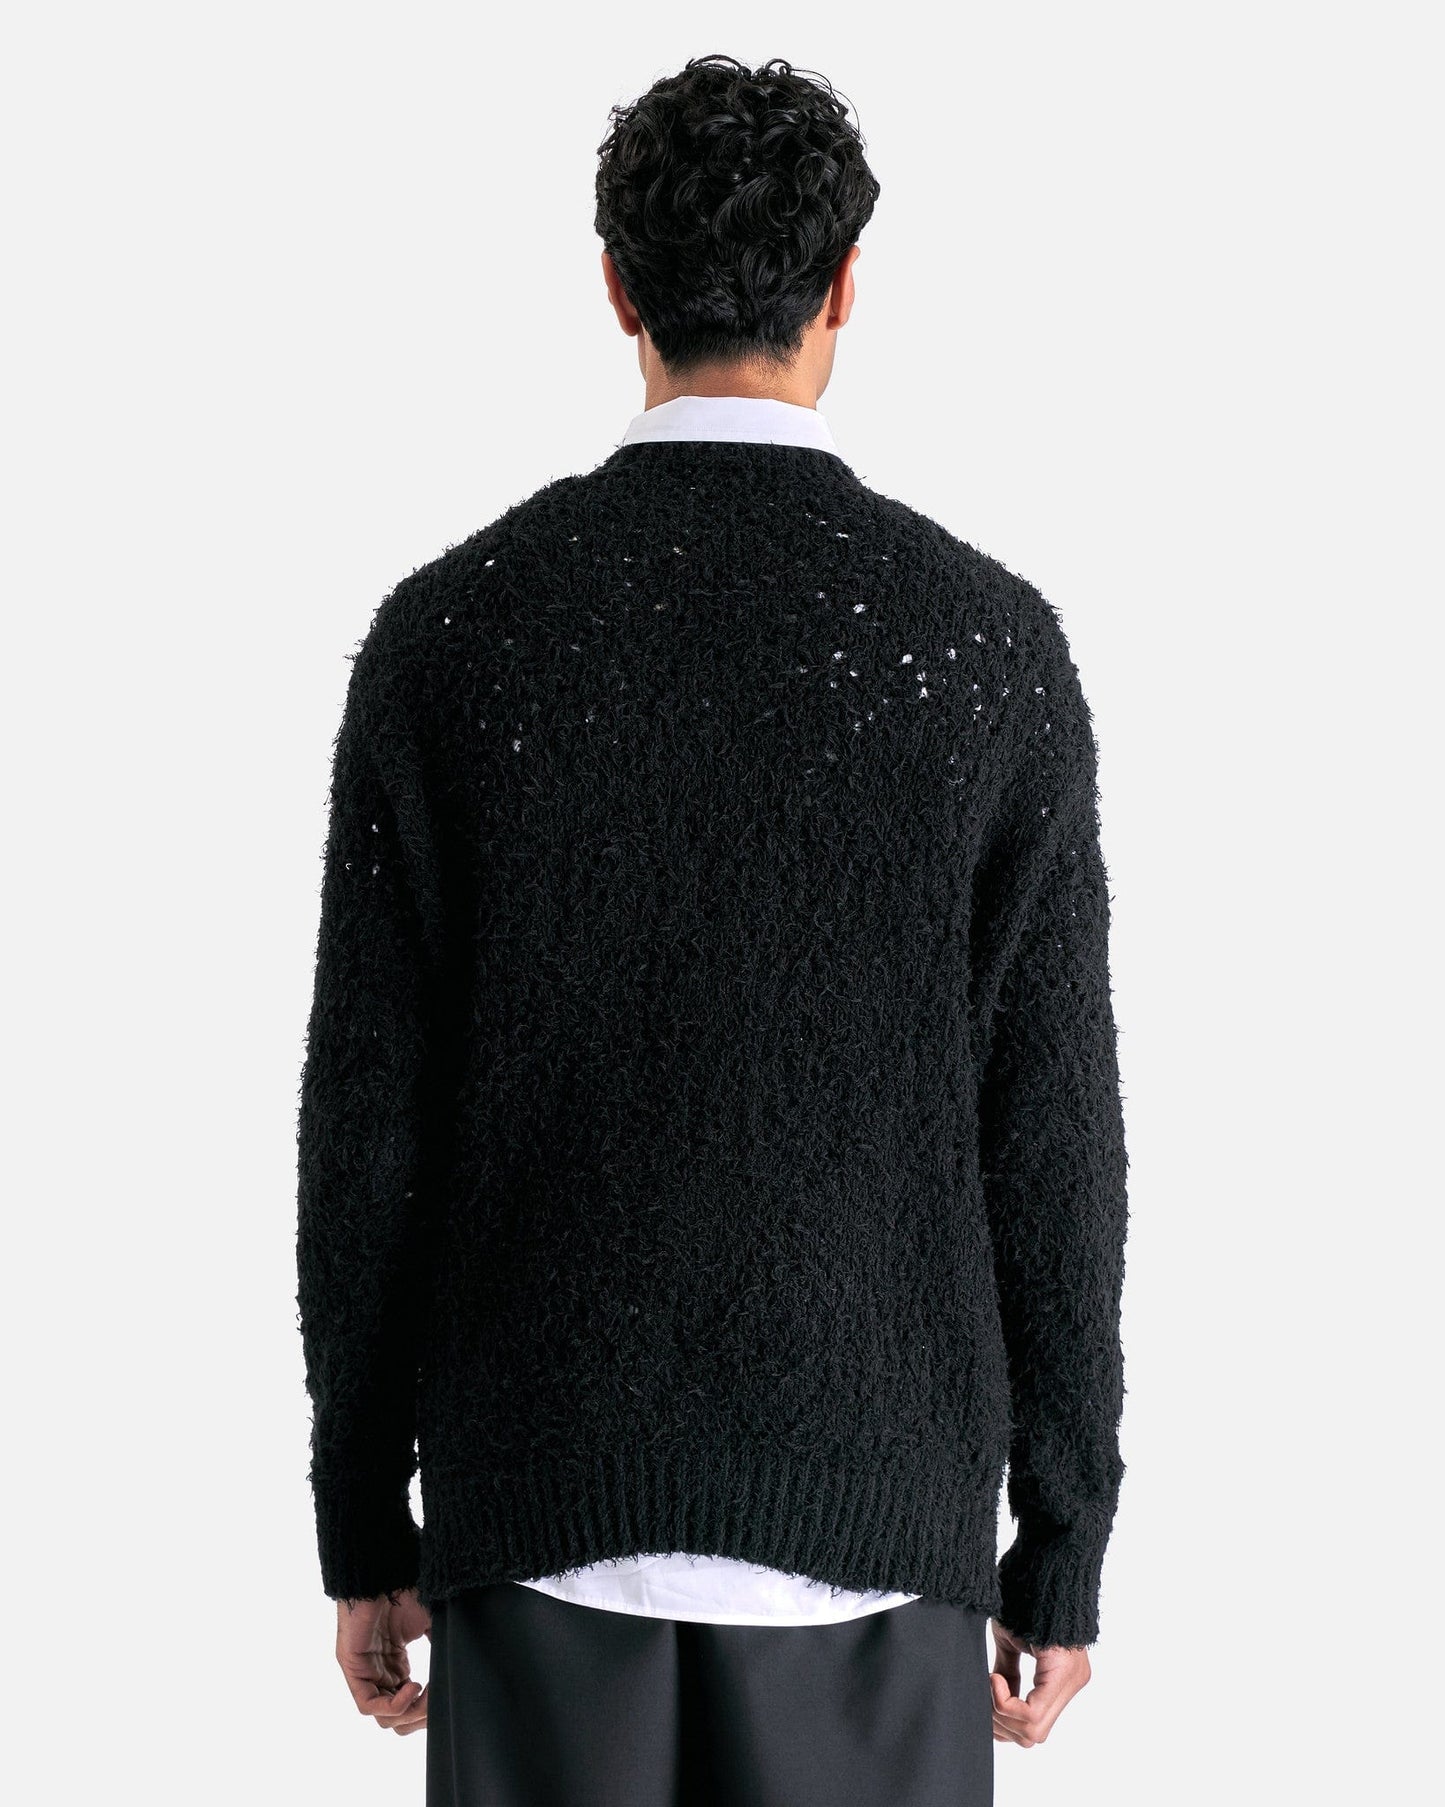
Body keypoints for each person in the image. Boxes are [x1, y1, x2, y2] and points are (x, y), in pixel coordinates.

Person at [297, 52, 1130, 1807]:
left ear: (617, 287)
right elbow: (1052, 1138)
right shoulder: (983, 648)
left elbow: (366, 1131)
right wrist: (1061, 1542)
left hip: (538, 1527)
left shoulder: (453, 637)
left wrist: (362, 1520)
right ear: (845, 288)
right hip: (877, 1539)